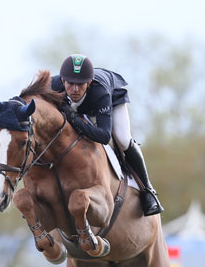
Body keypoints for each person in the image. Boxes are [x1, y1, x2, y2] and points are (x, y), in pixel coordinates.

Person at [51, 54, 162, 216]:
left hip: (111, 98)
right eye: (70, 84)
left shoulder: (99, 92)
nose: (75, 89)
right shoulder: (52, 87)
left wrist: (74, 119)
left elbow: (104, 135)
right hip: (82, 105)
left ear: (88, 83)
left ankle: (148, 190)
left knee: (123, 139)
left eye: (80, 84)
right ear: (62, 81)